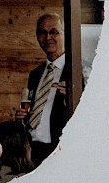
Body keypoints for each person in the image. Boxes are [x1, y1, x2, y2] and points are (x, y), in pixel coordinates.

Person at [16, 13, 71, 165]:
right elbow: (31, 108)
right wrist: (22, 115)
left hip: (60, 150)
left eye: (54, 32)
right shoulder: (35, 74)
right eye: (42, 32)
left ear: (65, 34)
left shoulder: (76, 72)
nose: (47, 38)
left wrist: (71, 98)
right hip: (32, 150)